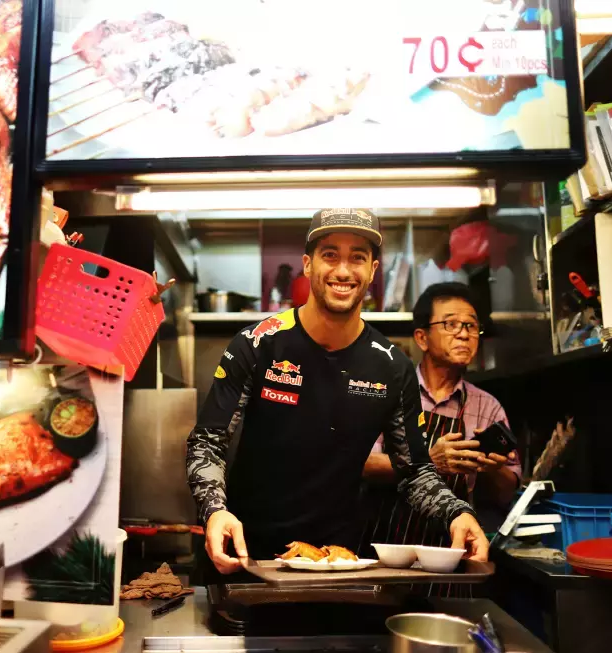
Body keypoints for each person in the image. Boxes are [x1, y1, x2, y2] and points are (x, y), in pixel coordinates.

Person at [186, 209, 489, 576]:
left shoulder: (392, 366)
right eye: (330, 255)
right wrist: (215, 509)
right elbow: (208, 441)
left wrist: (457, 513)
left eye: (357, 257)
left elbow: (414, 470)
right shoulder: (257, 343)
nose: (343, 271)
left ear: (373, 271)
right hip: (246, 556)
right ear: (308, 266)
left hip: (341, 563)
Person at [362, 282, 520, 552]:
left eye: (471, 326)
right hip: (385, 551)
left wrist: (493, 469)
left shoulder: (487, 407)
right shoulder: (385, 392)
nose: (463, 334)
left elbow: (508, 493)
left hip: (451, 555)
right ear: (422, 338)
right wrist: (427, 461)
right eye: (450, 324)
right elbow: (361, 463)